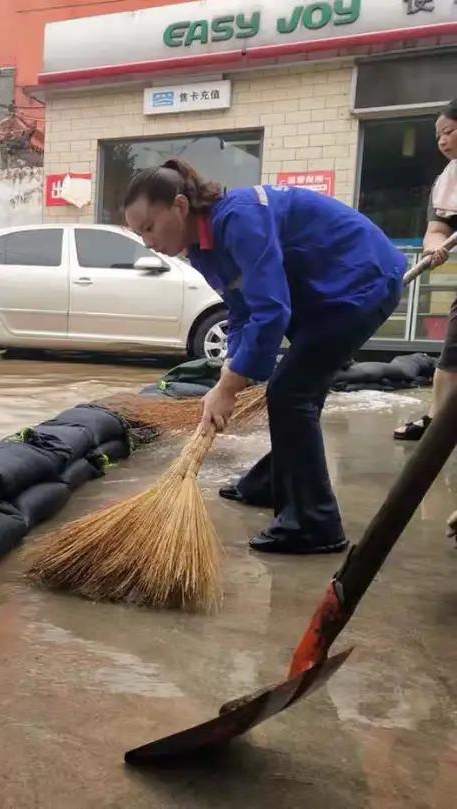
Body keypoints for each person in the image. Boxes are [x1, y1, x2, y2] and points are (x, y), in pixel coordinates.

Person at [124, 159, 406, 555]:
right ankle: (273, 482)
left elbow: (272, 311)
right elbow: (243, 312)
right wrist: (230, 374)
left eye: (149, 227)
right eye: (138, 234)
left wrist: (227, 387)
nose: (148, 241)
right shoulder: (204, 250)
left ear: (181, 206)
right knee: (295, 389)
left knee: (292, 393)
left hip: (359, 283)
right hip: (321, 294)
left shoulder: (240, 219)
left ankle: (314, 523)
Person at [394, 99, 457, 441]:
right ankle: (437, 419)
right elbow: (437, 229)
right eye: (437, 136)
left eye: (447, 131)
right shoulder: (448, 182)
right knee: (453, 351)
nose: (441, 141)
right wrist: (434, 246)